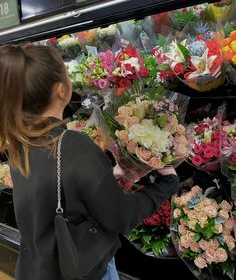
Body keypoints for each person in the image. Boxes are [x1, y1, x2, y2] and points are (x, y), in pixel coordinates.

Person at [0, 45, 179, 280]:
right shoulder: (73, 145)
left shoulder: (18, 141)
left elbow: (48, 191)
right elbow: (121, 217)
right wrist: (167, 184)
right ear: (61, 90)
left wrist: (102, 178)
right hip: (83, 271)